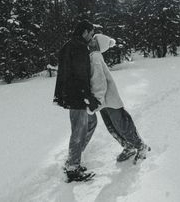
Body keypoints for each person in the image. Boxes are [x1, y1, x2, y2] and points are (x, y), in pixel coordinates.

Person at [88, 34, 150, 164]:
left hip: (108, 99)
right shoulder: (93, 56)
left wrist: (97, 99)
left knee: (122, 124)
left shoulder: (95, 56)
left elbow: (99, 80)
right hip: (103, 101)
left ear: (99, 45)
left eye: (94, 40)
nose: (91, 41)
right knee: (111, 126)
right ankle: (129, 147)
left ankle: (140, 146)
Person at [53, 20, 101, 182]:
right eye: (91, 33)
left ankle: (74, 158)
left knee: (91, 123)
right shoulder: (79, 47)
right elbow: (80, 76)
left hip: (72, 94)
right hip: (77, 96)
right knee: (79, 130)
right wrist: (88, 97)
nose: (92, 36)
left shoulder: (70, 44)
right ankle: (73, 167)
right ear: (85, 32)